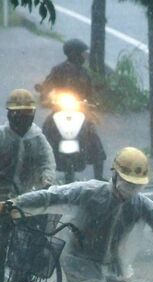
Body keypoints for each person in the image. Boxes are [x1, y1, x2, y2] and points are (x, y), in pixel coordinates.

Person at [0, 147, 153, 282]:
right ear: (114, 176)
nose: (130, 190)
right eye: (127, 183)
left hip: (114, 269)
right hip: (79, 261)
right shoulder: (90, 191)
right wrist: (14, 203)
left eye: (136, 186)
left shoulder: (143, 206)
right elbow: (52, 195)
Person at [0, 89, 56, 282]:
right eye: (19, 114)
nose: (23, 119)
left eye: (27, 114)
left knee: (35, 234)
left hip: (27, 194)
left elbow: (48, 161)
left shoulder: (37, 137)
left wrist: (47, 179)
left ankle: (25, 278)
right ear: (10, 114)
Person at [38, 38, 106, 180]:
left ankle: (99, 176)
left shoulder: (84, 73)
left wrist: (93, 101)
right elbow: (47, 85)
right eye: (81, 53)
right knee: (46, 130)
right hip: (60, 109)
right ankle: (40, 169)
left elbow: (90, 92)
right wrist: (44, 95)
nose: (83, 56)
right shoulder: (58, 70)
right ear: (73, 53)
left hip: (80, 111)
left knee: (92, 135)